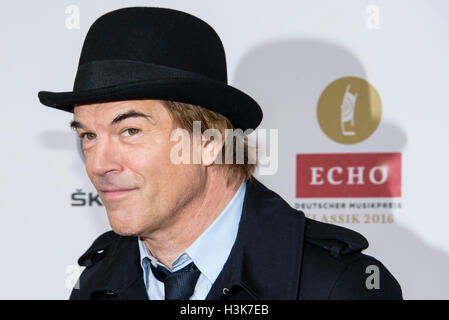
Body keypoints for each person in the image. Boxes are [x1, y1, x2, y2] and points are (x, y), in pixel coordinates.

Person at [38, 7, 402, 300]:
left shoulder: (339, 285)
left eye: (130, 131)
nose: (98, 164)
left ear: (209, 141)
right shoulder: (95, 281)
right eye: (87, 136)